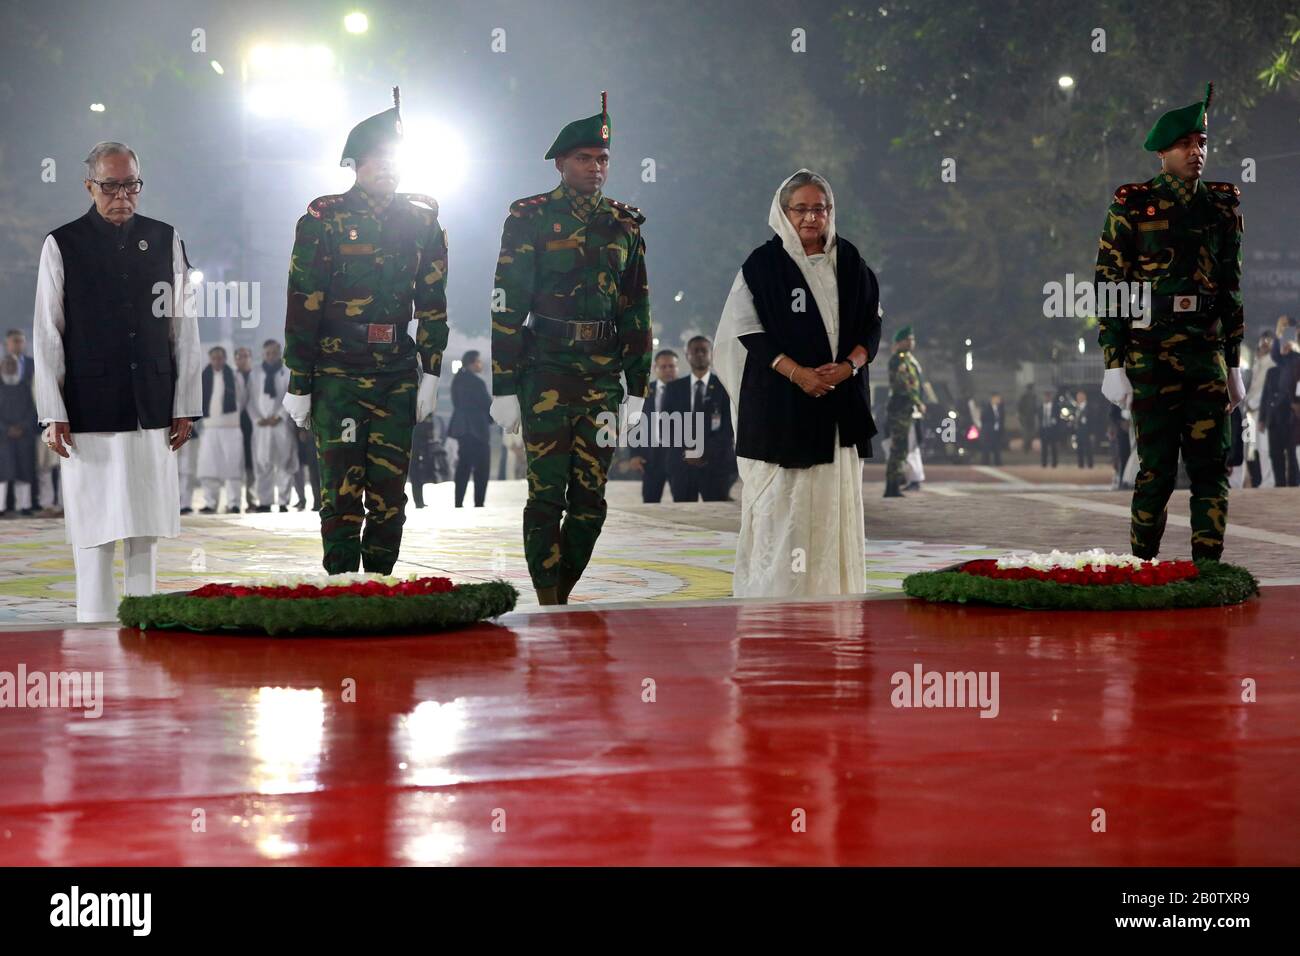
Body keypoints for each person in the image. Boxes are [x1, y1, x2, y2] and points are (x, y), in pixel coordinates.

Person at [488, 92, 651, 605]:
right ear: (561, 163)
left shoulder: (625, 223)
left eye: (603, 159)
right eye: (584, 158)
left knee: (590, 499)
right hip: (546, 374)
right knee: (545, 494)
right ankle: (547, 596)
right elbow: (507, 304)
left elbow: (636, 309)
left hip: (602, 379)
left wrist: (638, 387)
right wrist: (503, 386)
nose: (595, 168)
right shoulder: (530, 217)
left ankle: (562, 585)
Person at [280, 88, 449, 571]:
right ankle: (341, 589)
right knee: (340, 491)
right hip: (337, 373)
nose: (388, 167)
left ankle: (378, 588)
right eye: (377, 158)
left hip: (396, 370)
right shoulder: (324, 220)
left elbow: (433, 302)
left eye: (395, 157)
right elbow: (302, 303)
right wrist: (300, 382)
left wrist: (431, 373)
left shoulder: (423, 222)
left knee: (391, 493)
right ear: (354, 163)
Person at [32, 141, 201, 622]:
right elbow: (49, 331)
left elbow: (183, 325)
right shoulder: (62, 243)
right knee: (94, 526)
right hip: (87, 407)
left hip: (152, 399)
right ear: (89, 186)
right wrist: (53, 411)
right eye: (111, 186)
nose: (122, 195)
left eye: (131, 185)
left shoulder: (165, 237)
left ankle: (144, 621)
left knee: (144, 528)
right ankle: (95, 627)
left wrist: (185, 401)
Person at [714, 168, 881, 597]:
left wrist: (850, 366)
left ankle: (833, 595)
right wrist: (797, 373)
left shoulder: (851, 261)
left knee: (831, 507)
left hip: (838, 409)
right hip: (781, 413)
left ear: (830, 212)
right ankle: (778, 594)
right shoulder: (763, 264)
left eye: (819, 208)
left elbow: (871, 327)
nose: (811, 218)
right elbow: (747, 329)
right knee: (781, 509)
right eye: (801, 208)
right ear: (783, 212)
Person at [1096, 82, 1245, 559]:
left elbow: (1230, 289)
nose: (1195, 151)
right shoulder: (1133, 205)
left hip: (1204, 355)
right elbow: (1110, 285)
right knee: (1155, 470)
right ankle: (1142, 566)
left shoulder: (1221, 206)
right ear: (1163, 151)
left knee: (1210, 469)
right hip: (1151, 354)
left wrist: (1235, 364)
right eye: (1185, 143)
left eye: (1201, 142)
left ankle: (1208, 570)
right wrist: (1113, 362)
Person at [664, 336, 736, 501]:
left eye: (704, 350)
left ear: (712, 354)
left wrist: (703, 452)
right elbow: (667, 425)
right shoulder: (674, 388)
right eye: (695, 350)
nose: (700, 354)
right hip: (682, 465)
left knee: (717, 516)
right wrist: (688, 451)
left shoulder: (724, 386)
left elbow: (729, 426)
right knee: (684, 517)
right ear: (686, 354)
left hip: (716, 465)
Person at [196, 345, 247, 513]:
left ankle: (234, 503)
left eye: (220, 357)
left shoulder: (234, 376)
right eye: (214, 358)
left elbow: (243, 398)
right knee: (208, 468)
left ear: (225, 359)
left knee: (233, 467)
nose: (217, 361)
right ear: (210, 359)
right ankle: (211, 503)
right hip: (210, 429)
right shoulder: (203, 377)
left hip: (231, 427)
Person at [248, 339, 297, 511]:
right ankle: (265, 502)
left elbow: (290, 396)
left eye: (274, 353)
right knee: (262, 464)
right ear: (263, 354)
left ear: (280, 354)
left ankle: (283, 501)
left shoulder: (286, 372)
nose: (271, 356)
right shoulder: (255, 373)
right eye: (268, 353)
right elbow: (250, 400)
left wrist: (279, 416)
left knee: (284, 463)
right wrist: (257, 419)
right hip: (261, 425)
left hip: (281, 424)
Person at [629, 349, 678, 503]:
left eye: (671, 366)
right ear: (655, 368)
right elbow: (634, 423)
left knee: (684, 501)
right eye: (663, 367)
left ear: (677, 368)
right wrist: (634, 454)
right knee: (650, 501)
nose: (668, 370)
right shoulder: (644, 391)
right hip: (651, 456)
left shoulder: (687, 390)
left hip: (679, 456)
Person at [447, 350, 493, 507]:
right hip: (478, 429)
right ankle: (479, 502)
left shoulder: (457, 380)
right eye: (479, 361)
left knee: (463, 466)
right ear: (472, 363)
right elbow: (486, 405)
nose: (481, 364)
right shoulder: (477, 382)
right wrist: (493, 418)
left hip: (462, 429)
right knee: (482, 468)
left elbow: (455, 402)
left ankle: (458, 502)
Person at [883, 326, 923, 497]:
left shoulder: (908, 359)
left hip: (906, 409)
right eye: (908, 339)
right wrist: (917, 402)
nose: (911, 342)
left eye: (912, 339)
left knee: (902, 449)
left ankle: (894, 486)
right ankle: (891, 487)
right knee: (897, 448)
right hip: (900, 409)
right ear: (899, 342)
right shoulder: (898, 360)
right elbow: (904, 384)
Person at [1261, 315, 1299, 486]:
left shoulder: (1296, 360)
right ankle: (1279, 484)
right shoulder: (1276, 369)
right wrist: (1279, 332)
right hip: (1275, 415)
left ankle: (1293, 485)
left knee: (1292, 453)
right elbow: (1276, 354)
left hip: (1292, 414)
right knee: (1275, 453)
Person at [0, 353, 37, 517]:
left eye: (12, 365)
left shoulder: (24, 386)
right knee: (3, 473)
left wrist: (22, 427)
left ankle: (25, 505)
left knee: (24, 471)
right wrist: (6, 428)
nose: (9, 367)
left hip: (24, 436)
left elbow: (32, 411)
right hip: (3, 438)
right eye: (6, 365)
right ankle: (1, 507)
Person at [1244, 330, 1274, 487]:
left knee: (1264, 447)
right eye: (1263, 340)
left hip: (1262, 412)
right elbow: (1251, 386)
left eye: (1268, 340)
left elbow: (1266, 390)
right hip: (1249, 412)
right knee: (1250, 449)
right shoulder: (1257, 362)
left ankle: (1269, 481)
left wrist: (1253, 403)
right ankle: (1259, 480)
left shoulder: (1272, 362)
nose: (1264, 343)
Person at [234, 345, 256, 508]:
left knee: (252, 461)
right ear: (235, 359)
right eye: (240, 356)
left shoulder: (258, 375)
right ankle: (234, 500)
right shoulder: (231, 376)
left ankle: (252, 498)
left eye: (247, 355)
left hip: (255, 423)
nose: (244, 359)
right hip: (237, 422)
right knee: (236, 461)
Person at [1036, 389, 1063, 468]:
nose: (1046, 398)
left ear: (1050, 397)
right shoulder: (1041, 407)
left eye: (1048, 397)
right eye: (1045, 397)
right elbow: (1039, 419)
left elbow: (1059, 419)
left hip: (1052, 430)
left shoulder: (1055, 407)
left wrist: (1058, 430)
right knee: (1044, 448)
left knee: (1053, 448)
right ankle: (1044, 463)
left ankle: (1054, 463)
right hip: (1044, 429)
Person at [1072, 389, 1096, 469]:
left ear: (1084, 397)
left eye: (1079, 396)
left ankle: (1090, 465)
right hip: (1079, 431)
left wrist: (1092, 433)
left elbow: (1093, 421)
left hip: (1087, 431)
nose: (1078, 398)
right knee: (1079, 449)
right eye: (1077, 397)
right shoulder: (1077, 408)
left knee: (1088, 449)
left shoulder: (1089, 407)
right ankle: (1080, 465)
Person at [979, 392, 1004, 466]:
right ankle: (985, 463)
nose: (999, 400)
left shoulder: (1000, 408)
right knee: (987, 448)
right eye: (997, 398)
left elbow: (1001, 419)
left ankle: (998, 463)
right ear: (992, 399)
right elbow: (983, 418)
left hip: (997, 431)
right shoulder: (986, 408)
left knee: (997, 449)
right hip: (988, 431)